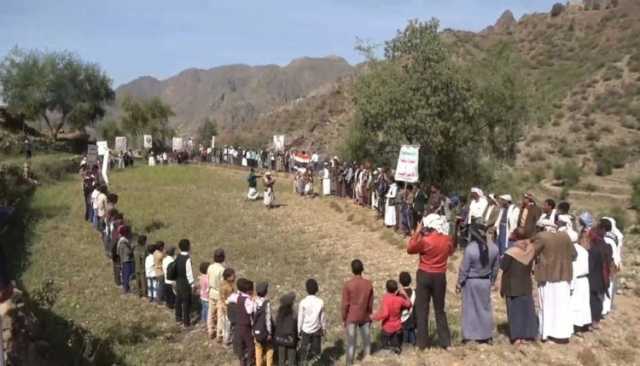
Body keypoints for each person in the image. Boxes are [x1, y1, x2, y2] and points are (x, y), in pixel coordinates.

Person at [407, 214, 454, 350]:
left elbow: (410, 248)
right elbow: (451, 252)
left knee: (422, 309)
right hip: (440, 275)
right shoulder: (447, 240)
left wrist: (417, 232)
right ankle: (446, 342)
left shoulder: (425, 240)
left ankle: (422, 343)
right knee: (440, 310)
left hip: (424, 274)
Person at [457, 224, 499, 343]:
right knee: (485, 308)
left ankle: (470, 336)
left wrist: (459, 283)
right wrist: (492, 281)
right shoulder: (494, 248)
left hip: (471, 281)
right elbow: (496, 268)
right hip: (485, 281)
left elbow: (464, 268)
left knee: (469, 309)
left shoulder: (470, 249)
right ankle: (485, 335)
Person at [533, 231, 577, 342]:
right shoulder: (565, 236)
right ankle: (561, 334)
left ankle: (545, 333)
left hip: (548, 278)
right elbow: (574, 255)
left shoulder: (542, 237)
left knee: (546, 307)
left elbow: (531, 252)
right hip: (564, 277)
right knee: (562, 307)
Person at [500, 239, 538, 344]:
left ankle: (517, 337)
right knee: (526, 311)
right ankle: (528, 335)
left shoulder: (511, 252)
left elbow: (503, 266)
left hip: (512, 285)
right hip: (525, 284)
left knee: (514, 312)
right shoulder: (530, 251)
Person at [342, 259, 374, 366]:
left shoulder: (348, 285)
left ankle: (349, 363)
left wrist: (344, 318)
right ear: (362, 269)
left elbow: (345, 304)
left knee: (351, 344)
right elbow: (370, 303)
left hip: (351, 316)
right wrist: (369, 314)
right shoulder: (368, 284)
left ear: (352, 270)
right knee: (367, 342)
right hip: (364, 315)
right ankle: (368, 362)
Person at [565, 215, 591, 332]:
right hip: (585, 280)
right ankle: (582, 324)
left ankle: (574, 325)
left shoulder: (574, 252)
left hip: (578, 280)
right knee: (583, 304)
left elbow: (574, 269)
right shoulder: (584, 251)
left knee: (575, 304)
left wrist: (571, 285)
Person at [587, 222, 610, 330]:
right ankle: (595, 321)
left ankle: (592, 321)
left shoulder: (594, 247)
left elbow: (590, 265)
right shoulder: (606, 246)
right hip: (603, 277)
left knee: (593, 300)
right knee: (598, 300)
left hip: (593, 277)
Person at [298, 278, 326, 366]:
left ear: (306, 289)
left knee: (304, 350)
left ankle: (303, 363)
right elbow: (322, 317)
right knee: (316, 351)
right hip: (316, 330)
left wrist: (298, 329)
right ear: (316, 289)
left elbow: (300, 318)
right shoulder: (320, 302)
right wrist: (324, 328)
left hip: (305, 330)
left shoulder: (303, 302)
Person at [601, 217, 623, 317]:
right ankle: (606, 307)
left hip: (610, 263)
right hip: (612, 262)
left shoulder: (612, 237)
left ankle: (605, 308)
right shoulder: (614, 235)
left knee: (608, 286)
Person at [233, 278, 255, 366]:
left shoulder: (238, 297)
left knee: (241, 343)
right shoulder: (247, 300)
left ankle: (241, 360)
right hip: (246, 325)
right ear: (249, 291)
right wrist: (253, 301)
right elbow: (250, 311)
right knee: (250, 344)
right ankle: (249, 361)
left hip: (239, 323)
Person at [174, 239, 195, 327]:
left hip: (178, 281)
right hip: (185, 283)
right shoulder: (187, 259)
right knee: (186, 302)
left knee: (178, 300)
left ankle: (178, 318)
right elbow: (189, 273)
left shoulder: (177, 257)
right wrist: (192, 284)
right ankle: (186, 322)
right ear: (188, 247)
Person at [208, 248, 226, 341]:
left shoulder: (210, 267)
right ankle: (219, 334)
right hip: (219, 293)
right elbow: (223, 283)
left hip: (211, 291)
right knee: (220, 315)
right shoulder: (222, 269)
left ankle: (210, 330)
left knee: (210, 312)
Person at [253, 282, 274, 366]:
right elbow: (268, 319)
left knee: (258, 349)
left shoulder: (253, 301)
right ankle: (269, 364)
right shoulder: (266, 303)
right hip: (265, 331)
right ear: (266, 292)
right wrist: (269, 332)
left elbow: (252, 317)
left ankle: (259, 364)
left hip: (256, 330)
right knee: (270, 348)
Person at [275, 292, 298, 366]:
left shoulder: (279, 313)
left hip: (280, 339)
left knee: (281, 359)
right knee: (291, 360)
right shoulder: (293, 314)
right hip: (291, 339)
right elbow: (296, 327)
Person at [399, 272, 416, 346]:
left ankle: (405, 347)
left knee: (405, 333)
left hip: (403, 317)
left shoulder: (400, 294)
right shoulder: (414, 292)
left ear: (400, 281)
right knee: (412, 331)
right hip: (413, 316)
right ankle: (414, 345)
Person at [221, 268, 237, 346]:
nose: (234, 277)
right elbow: (223, 298)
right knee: (227, 326)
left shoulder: (230, 284)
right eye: (232, 276)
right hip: (228, 308)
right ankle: (226, 341)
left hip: (231, 307)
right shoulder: (225, 287)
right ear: (227, 277)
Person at [116, 225, 134, 294]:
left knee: (124, 274)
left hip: (123, 260)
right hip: (127, 260)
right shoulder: (124, 242)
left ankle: (126, 287)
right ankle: (126, 289)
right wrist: (132, 249)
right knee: (127, 275)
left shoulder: (120, 241)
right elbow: (128, 252)